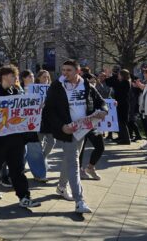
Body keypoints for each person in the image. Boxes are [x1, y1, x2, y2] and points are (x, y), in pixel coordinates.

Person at [42, 59, 107, 214]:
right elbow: (48, 111)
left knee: (70, 159)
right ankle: (80, 200)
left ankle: (61, 187)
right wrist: (62, 126)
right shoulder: (57, 86)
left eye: (68, 70)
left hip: (83, 130)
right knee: (74, 163)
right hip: (67, 131)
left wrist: (103, 110)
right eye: (63, 70)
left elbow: (101, 102)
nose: (65, 73)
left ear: (78, 71)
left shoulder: (87, 85)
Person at [0, 65, 41, 208]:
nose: (15, 79)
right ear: (4, 77)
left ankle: (24, 196)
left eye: (15, 76)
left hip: (16, 137)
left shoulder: (16, 91)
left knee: (18, 168)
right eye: (12, 76)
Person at [21, 70, 47, 182]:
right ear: (24, 79)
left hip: (32, 124)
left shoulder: (38, 90)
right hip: (21, 124)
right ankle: (18, 172)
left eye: (32, 76)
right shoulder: (19, 90)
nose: (32, 78)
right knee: (21, 150)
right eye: (29, 76)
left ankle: (39, 174)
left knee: (34, 148)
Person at [78, 73, 106, 180]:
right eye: (91, 82)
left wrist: (105, 110)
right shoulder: (76, 90)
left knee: (100, 147)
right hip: (79, 124)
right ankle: (80, 170)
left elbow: (102, 102)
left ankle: (90, 167)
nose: (94, 84)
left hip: (92, 123)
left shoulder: (92, 89)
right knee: (80, 149)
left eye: (95, 82)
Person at [105, 69, 132, 144]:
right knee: (120, 122)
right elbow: (109, 83)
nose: (118, 76)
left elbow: (114, 84)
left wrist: (110, 76)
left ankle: (126, 139)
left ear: (123, 75)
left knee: (122, 122)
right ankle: (122, 137)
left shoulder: (126, 82)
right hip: (119, 103)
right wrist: (108, 76)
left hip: (123, 104)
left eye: (119, 75)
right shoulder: (121, 82)